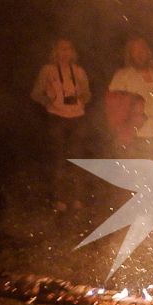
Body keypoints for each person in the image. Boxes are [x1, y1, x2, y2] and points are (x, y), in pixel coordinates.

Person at [30, 38, 91, 211]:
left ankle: (78, 197)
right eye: (61, 49)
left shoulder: (79, 71)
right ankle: (60, 198)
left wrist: (81, 98)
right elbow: (35, 93)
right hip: (56, 117)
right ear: (55, 52)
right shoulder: (48, 70)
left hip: (77, 117)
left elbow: (88, 94)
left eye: (68, 49)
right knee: (59, 158)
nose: (65, 52)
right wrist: (47, 100)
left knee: (77, 158)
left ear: (73, 52)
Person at [106, 36, 153, 159]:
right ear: (130, 54)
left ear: (148, 52)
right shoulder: (122, 76)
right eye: (136, 50)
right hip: (133, 136)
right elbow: (113, 107)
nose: (140, 53)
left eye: (143, 49)